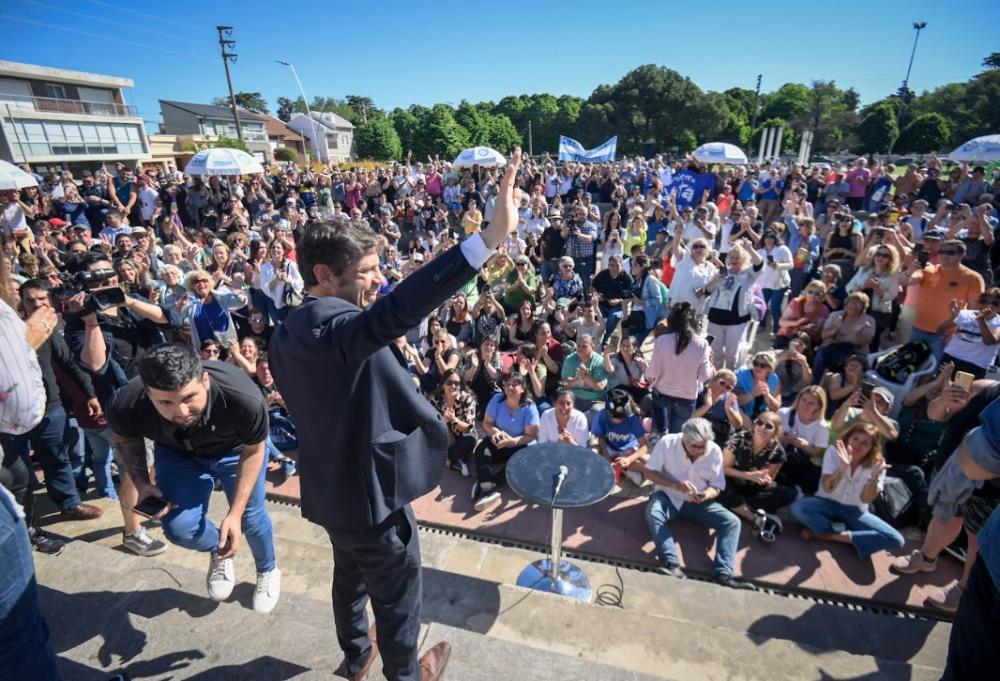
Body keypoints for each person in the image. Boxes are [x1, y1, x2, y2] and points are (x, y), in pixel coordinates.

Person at [268, 150, 529, 681]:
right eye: (365, 272)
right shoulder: (336, 332)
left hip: (331, 493)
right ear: (323, 274)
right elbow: (399, 308)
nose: (377, 279)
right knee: (399, 597)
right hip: (373, 500)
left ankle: (356, 656)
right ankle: (407, 674)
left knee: (349, 577)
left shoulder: (285, 331)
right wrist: (489, 239)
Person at [106, 344, 280, 615]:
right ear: (147, 393)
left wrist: (234, 513)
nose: (181, 411)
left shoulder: (243, 397)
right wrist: (142, 483)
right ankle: (220, 550)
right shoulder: (126, 402)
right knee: (180, 528)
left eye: (189, 397)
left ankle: (267, 569)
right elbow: (125, 439)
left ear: (205, 381)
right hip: (177, 453)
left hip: (236, 452)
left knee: (250, 517)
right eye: (165, 402)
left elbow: (255, 450)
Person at [635, 417, 754, 590]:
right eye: (696, 447)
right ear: (684, 439)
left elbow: (718, 486)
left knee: (732, 522)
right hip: (668, 496)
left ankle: (724, 574)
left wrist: (705, 495)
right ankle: (671, 565)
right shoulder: (667, 443)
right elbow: (649, 473)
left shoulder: (713, 451)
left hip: (698, 503)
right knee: (653, 512)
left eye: (704, 445)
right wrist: (676, 485)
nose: (701, 450)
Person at [790, 422, 904, 560]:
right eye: (855, 439)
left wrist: (873, 478)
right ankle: (850, 536)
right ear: (848, 438)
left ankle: (829, 535)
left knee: (896, 539)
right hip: (825, 502)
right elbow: (828, 487)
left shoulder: (878, 464)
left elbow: (865, 499)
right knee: (798, 508)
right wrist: (843, 467)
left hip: (855, 511)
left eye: (865, 443)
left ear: (871, 448)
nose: (858, 445)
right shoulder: (833, 451)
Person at [719, 411, 796, 542]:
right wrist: (749, 475)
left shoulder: (778, 452)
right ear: (754, 425)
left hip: (753, 489)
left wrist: (763, 479)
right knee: (719, 486)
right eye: (759, 422)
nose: (762, 427)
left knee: (789, 494)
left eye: (769, 426)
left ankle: (739, 505)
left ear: (775, 432)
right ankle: (755, 518)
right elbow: (723, 469)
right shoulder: (739, 439)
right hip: (732, 481)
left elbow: (768, 479)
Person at [471, 374, 540, 512]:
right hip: (498, 443)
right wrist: (497, 433)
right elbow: (487, 423)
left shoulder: (529, 408)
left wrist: (512, 441)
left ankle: (488, 484)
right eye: (508, 384)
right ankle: (487, 491)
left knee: (518, 466)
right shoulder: (497, 399)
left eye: (515, 384)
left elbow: (531, 436)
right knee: (481, 450)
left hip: (519, 445)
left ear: (522, 389)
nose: (510, 387)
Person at [907, 239, 985, 360]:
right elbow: (905, 281)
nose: (944, 255)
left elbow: (974, 311)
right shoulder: (927, 270)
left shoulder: (973, 278)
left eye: (950, 252)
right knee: (909, 365)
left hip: (946, 334)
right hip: (918, 329)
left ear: (962, 255)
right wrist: (910, 271)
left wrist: (956, 333)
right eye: (942, 252)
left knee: (933, 371)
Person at [646, 302, 713, 434]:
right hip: (686, 397)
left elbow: (652, 372)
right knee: (677, 437)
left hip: (661, 394)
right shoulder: (702, 344)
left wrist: (644, 368)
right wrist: (709, 363)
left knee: (660, 435)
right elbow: (704, 377)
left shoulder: (662, 340)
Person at [705, 243, 764, 368]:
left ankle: (730, 378)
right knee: (715, 352)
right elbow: (707, 291)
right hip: (716, 318)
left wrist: (749, 248)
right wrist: (716, 280)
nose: (734, 260)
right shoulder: (721, 272)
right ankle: (716, 378)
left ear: (743, 259)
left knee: (732, 354)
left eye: (737, 257)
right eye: (731, 257)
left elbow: (759, 264)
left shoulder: (749, 274)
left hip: (737, 320)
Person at [811, 292, 876, 382]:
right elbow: (823, 335)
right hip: (833, 347)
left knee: (850, 364)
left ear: (863, 307)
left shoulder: (868, 320)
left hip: (855, 351)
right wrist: (835, 329)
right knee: (820, 356)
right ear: (846, 304)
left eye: (859, 303)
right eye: (852, 302)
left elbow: (865, 341)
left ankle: (840, 389)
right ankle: (815, 384)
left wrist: (856, 333)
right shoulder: (835, 315)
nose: (854, 306)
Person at [937, 289, 1000, 379]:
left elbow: (990, 341)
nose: (988, 305)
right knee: (938, 389)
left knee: (961, 393)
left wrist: (982, 321)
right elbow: (940, 330)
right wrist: (952, 317)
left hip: (976, 366)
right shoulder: (964, 314)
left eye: (994, 303)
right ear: (978, 303)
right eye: (984, 301)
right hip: (950, 359)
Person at [591, 388, 648, 486]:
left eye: (622, 417)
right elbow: (600, 438)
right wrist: (606, 457)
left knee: (650, 463)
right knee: (592, 453)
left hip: (628, 449)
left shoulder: (632, 418)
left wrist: (629, 459)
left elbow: (644, 446)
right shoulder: (601, 416)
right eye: (614, 417)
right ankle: (622, 469)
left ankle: (620, 468)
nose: (618, 420)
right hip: (609, 448)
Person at [428, 369, 478, 478]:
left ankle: (448, 458)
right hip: (443, 431)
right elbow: (429, 423)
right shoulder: (435, 399)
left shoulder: (467, 399)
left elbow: (467, 428)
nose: (453, 386)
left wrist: (454, 420)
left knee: (471, 441)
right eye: (449, 383)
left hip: (463, 434)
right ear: (442, 385)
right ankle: (455, 461)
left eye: (457, 383)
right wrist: (443, 421)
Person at [560, 333, 610, 413]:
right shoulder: (570, 359)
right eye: (578, 345)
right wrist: (579, 379)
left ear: (592, 347)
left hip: (595, 400)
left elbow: (600, 386)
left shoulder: (600, 361)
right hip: (574, 398)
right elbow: (565, 383)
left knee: (597, 412)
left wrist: (586, 378)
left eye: (584, 346)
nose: (580, 348)